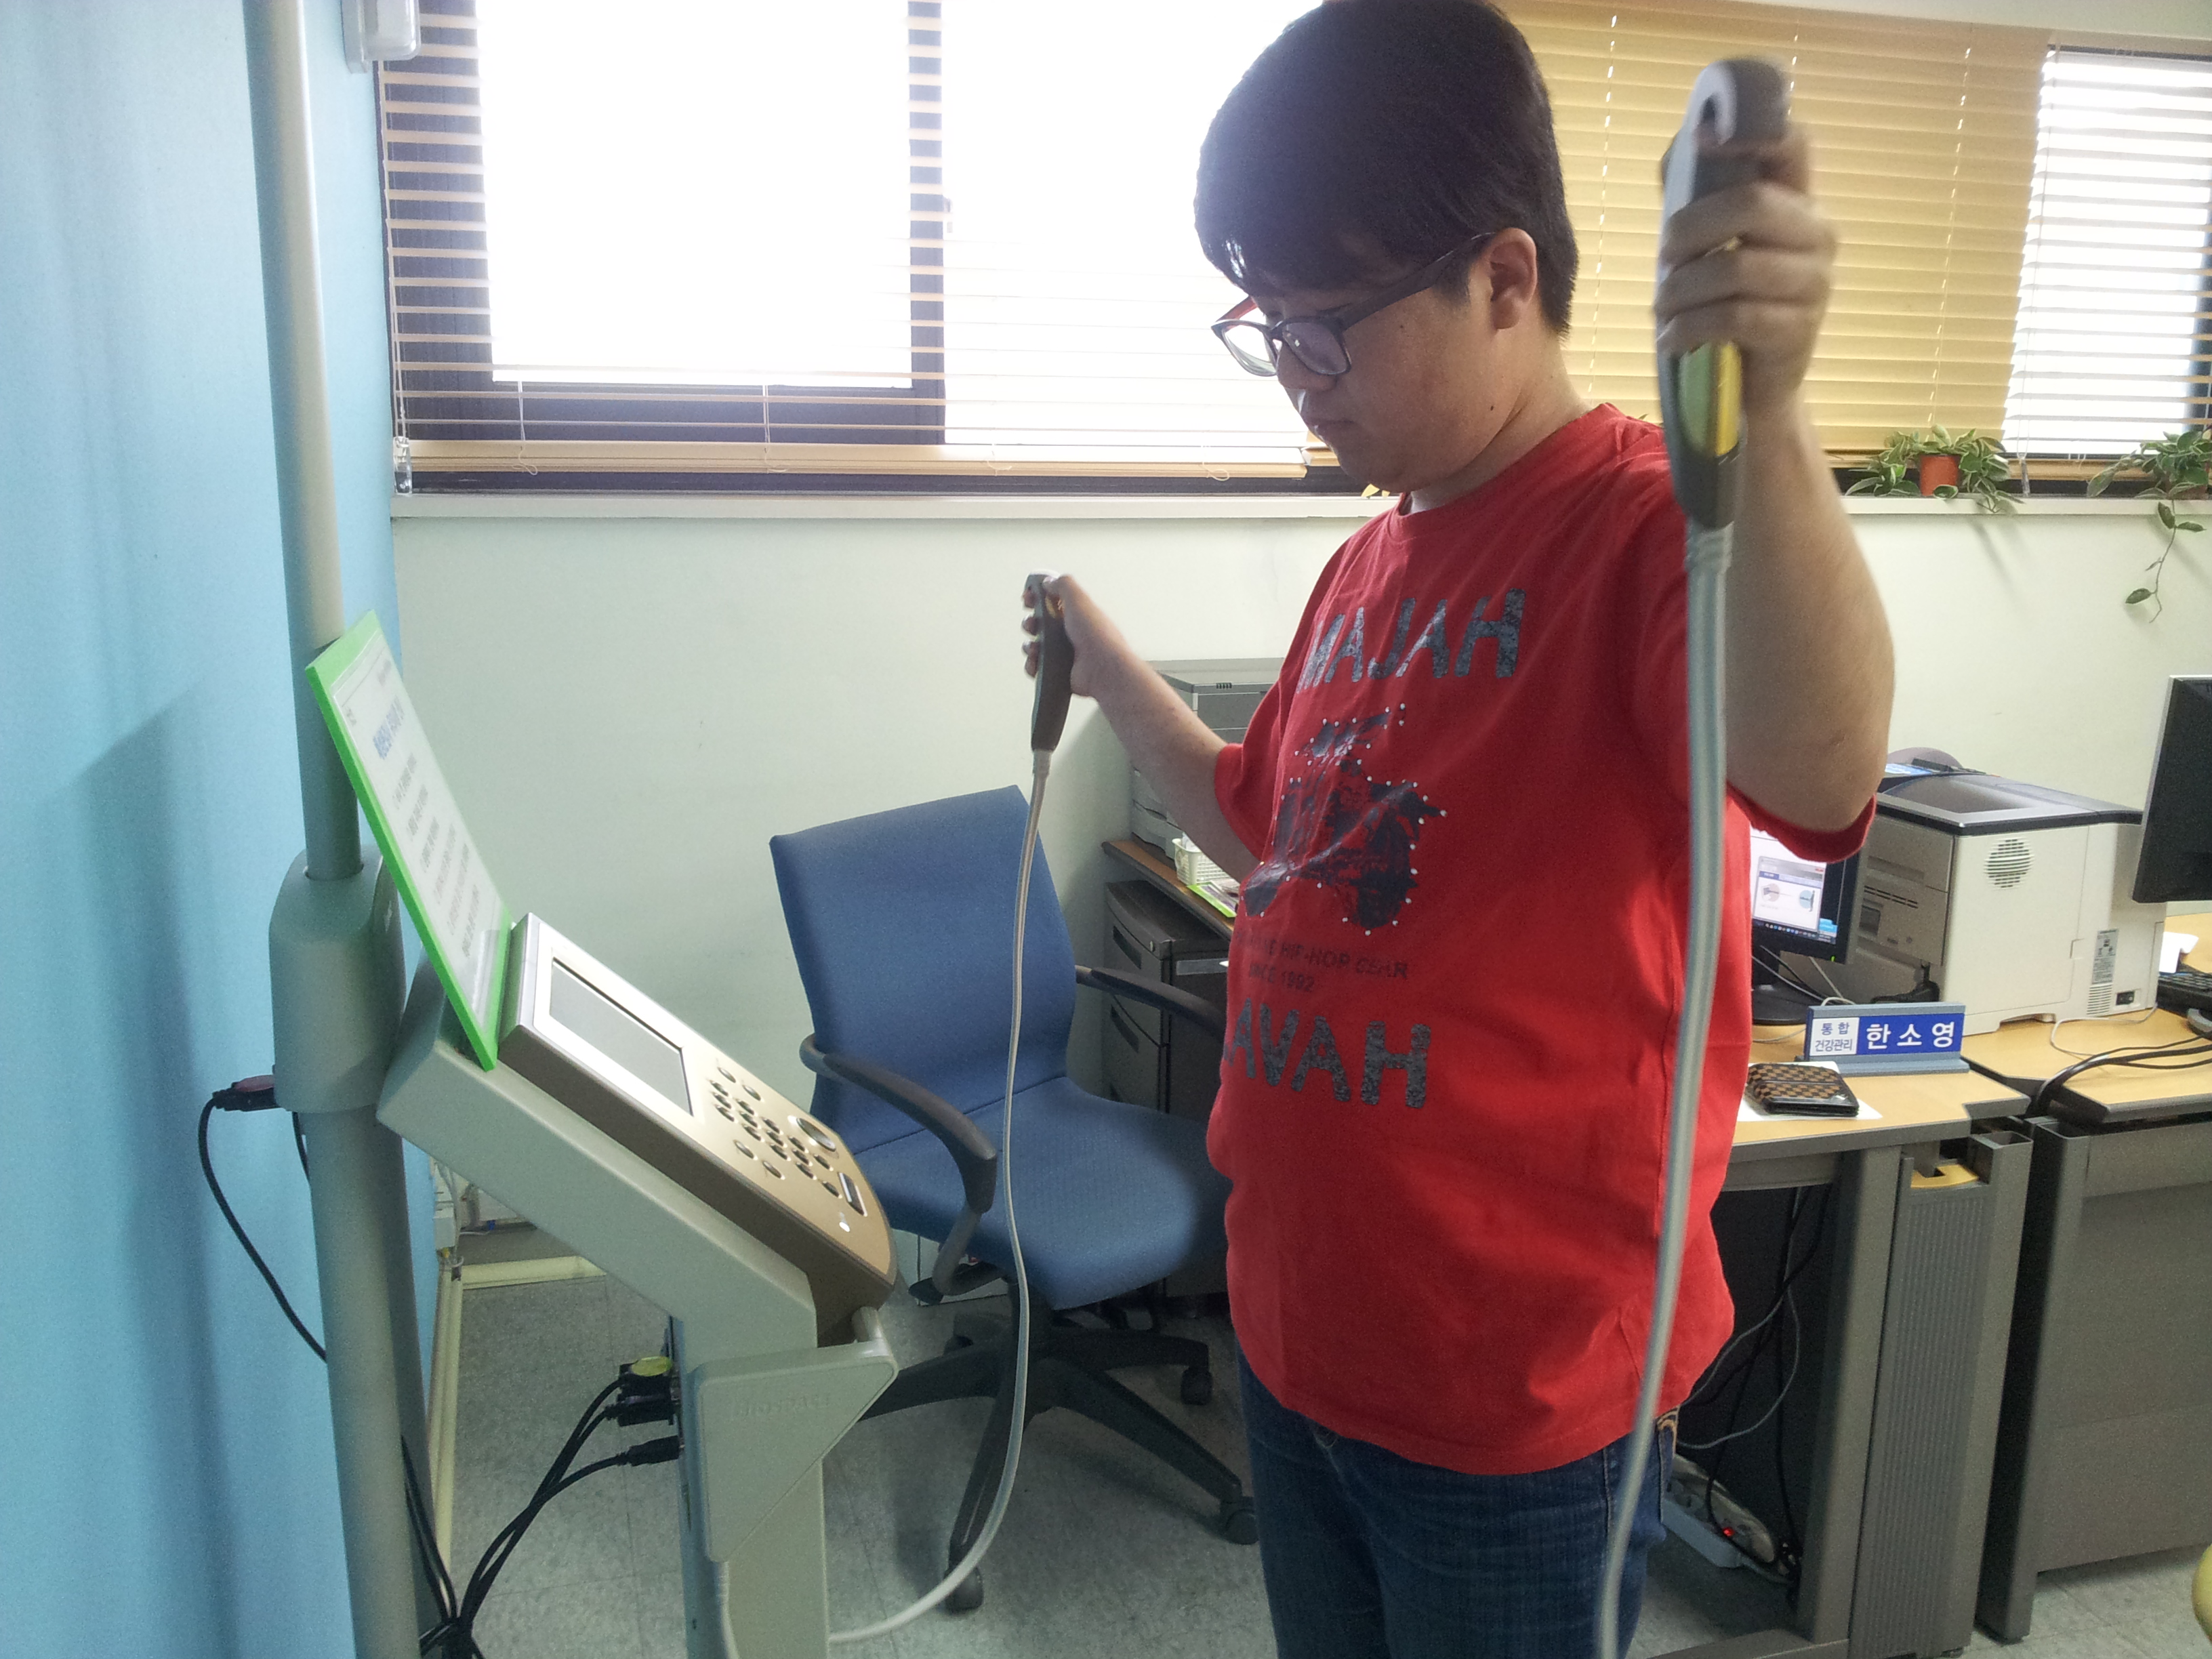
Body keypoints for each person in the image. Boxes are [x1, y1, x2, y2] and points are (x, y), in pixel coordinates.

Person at [1024, 3, 1893, 1654]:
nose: (1300, 382)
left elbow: (1822, 770)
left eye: (1326, 332)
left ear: (1502, 279)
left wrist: (1766, 412)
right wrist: (1103, 662)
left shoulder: (1647, 524)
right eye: (1269, 330)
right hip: (1303, 1346)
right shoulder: (1371, 562)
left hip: (1516, 1401)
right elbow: (1261, 829)